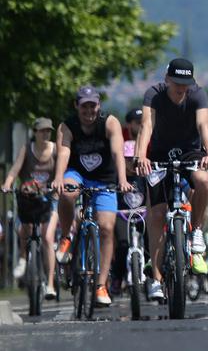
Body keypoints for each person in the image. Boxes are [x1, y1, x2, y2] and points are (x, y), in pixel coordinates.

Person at [135, 58, 208, 301]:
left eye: (186, 85)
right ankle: (155, 277)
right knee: (156, 214)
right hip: (159, 154)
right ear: (167, 80)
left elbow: (205, 126)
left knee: (203, 181)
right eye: (177, 85)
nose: (182, 90)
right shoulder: (153, 94)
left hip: (190, 151)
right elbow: (146, 126)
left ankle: (195, 231)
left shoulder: (197, 95)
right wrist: (140, 156)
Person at [51, 86, 132, 307]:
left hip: (105, 178)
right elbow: (64, 152)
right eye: (84, 105)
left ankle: (101, 285)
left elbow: (117, 153)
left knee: (106, 227)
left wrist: (122, 180)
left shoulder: (109, 123)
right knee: (67, 193)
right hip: (77, 174)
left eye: (93, 105)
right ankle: (67, 236)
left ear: (99, 105)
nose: (89, 110)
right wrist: (58, 177)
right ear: (76, 106)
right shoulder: (67, 126)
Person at [2, 117, 58, 299]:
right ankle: (24, 258)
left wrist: (59, 187)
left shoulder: (55, 150)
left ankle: (50, 284)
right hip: (29, 198)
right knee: (24, 228)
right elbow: (14, 170)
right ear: (35, 132)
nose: (45, 134)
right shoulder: (27, 149)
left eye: (48, 131)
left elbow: (61, 173)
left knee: (48, 238)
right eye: (42, 130)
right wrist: (8, 184)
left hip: (50, 199)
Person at [111, 110, 149, 296]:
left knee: (150, 242)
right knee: (123, 246)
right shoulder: (118, 179)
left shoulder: (146, 177)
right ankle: (117, 278)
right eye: (127, 160)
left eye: (134, 161)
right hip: (122, 215)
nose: (132, 164)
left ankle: (154, 277)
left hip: (143, 214)